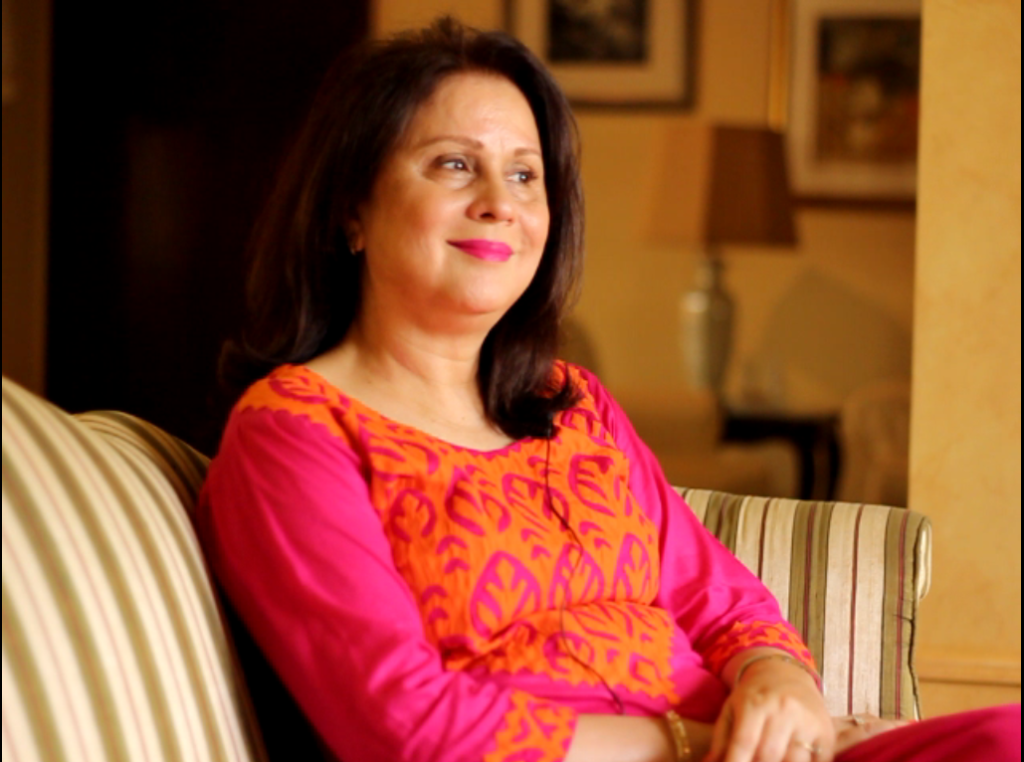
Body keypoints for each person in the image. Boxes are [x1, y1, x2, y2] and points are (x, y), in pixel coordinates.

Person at [197, 18, 1019, 762]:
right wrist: (701, 743)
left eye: (525, 176)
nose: (499, 205)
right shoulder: (295, 432)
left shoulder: (570, 403)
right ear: (352, 209)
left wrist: (782, 684)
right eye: (454, 164)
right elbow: (402, 726)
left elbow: (719, 596)